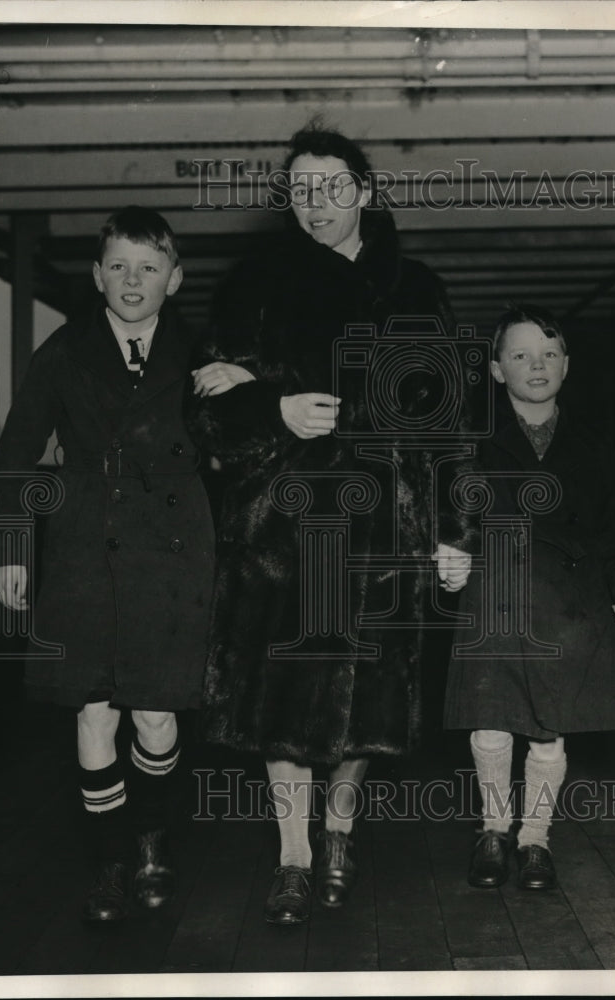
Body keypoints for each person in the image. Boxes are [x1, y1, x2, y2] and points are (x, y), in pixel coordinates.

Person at [187, 124, 474, 925]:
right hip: (283, 530)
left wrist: (455, 529)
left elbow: (451, 422)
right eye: (301, 191)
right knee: (284, 708)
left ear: (366, 193)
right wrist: (272, 407)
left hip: (388, 529)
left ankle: (339, 838)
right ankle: (292, 856)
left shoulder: (416, 289)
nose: (316, 204)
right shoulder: (255, 286)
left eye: (332, 187)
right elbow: (205, 412)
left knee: (364, 712)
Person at [0, 206, 215, 922]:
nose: (132, 280)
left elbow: (247, 446)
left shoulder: (206, 352)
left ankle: (153, 840)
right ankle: (113, 862)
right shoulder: (62, 351)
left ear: (174, 279)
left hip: (174, 560)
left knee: (154, 719)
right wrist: (9, 549)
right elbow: (15, 454)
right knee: (91, 714)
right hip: (83, 552)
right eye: (117, 265)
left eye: (148, 267)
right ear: (96, 274)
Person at [443, 304, 615, 891]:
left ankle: (535, 838)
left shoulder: (596, 447)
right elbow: (446, 510)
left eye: (550, 354)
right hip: (495, 598)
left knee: (548, 727)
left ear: (567, 365)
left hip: (572, 607)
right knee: (490, 722)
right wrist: (447, 552)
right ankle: (492, 829)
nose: (537, 365)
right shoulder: (470, 441)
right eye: (520, 355)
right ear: (494, 369)